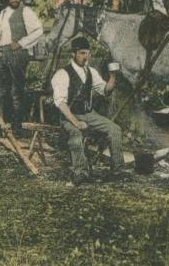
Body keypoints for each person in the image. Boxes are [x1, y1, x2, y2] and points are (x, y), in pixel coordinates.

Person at [51, 36, 125, 185]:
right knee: (76, 135)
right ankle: (81, 173)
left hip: (89, 114)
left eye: (87, 53)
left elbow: (105, 90)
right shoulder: (62, 74)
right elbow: (61, 103)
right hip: (70, 115)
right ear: (73, 54)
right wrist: (76, 122)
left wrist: (113, 77)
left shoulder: (91, 72)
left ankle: (117, 171)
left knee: (115, 129)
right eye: (82, 53)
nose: (86, 57)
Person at [0, 0, 44, 137]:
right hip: (5, 53)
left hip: (19, 54)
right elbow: (1, 33)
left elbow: (38, 30)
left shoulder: (26, 11)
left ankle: (17, 128)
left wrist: (21, 43)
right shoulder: (3, 13)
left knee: (16, 92)